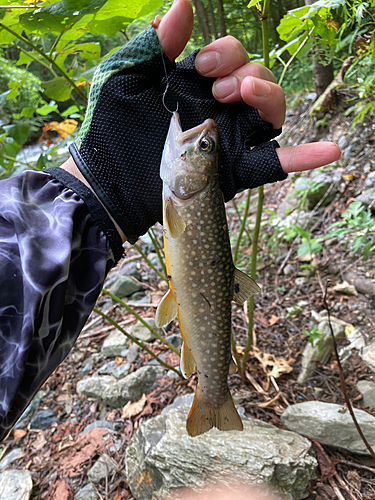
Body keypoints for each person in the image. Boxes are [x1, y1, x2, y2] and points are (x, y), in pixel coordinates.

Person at [0, 0, 340, 446]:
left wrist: (92, 186)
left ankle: (213, 392)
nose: (201, 138)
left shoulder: (181, 193)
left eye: (204, 151)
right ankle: (214, 392)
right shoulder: (180, 189)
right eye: (205, 149)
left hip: (195, 278)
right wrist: (97, 184)